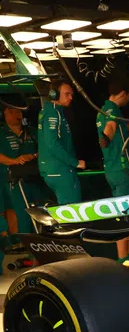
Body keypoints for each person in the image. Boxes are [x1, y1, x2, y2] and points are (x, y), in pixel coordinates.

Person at [97, 81, 129, 260]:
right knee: (125, 216)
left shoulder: (103, 110)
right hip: (122, 170)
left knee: (124, 213)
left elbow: (122, 126)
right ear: (123, 93)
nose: (128, 100)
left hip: (111, 170)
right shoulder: (113, 110)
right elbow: (111, 128)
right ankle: (123, 260)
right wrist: (105, 138)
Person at [37, 81, 84, 205]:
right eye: (67, 94)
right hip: (61, 170)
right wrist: (75, 162)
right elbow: (52, 144)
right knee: (72, 211)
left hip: (52, 170)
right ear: (54, 94)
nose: (71, 97)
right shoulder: (54, 113)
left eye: (72, 94)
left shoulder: (47, 111)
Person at [0, 101, 38, 236]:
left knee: (33, 208)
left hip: (32, 178)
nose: (16, 114)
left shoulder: (32, 131)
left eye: (18, 111)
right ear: (4, 115)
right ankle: (17, 240)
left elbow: (44, 149)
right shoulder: (1, 133)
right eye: (11, 111)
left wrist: (32, 156)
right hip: (8, 178)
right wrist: (14, 161)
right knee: (12, 209)